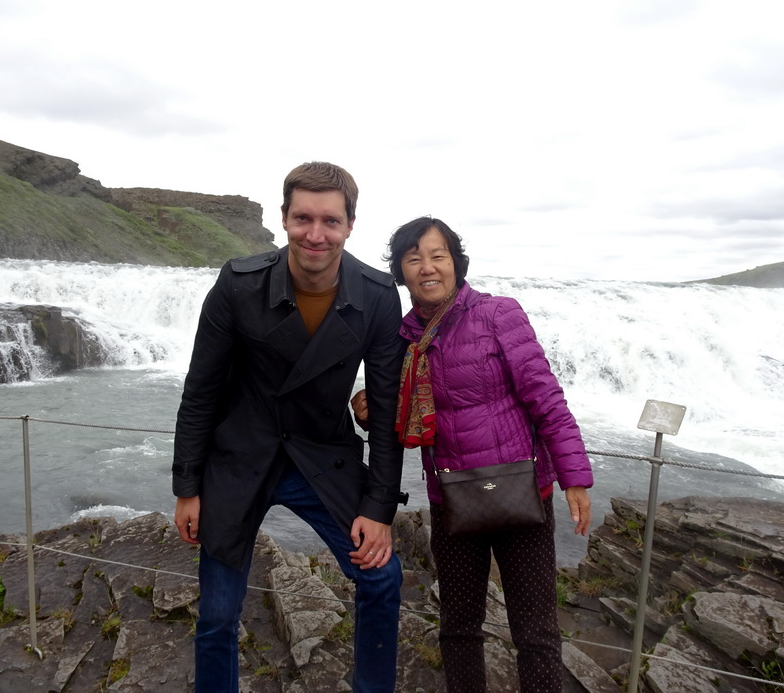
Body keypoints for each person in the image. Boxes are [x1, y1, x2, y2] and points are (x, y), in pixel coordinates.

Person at [172, 162, 408, 693]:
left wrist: (379, 508)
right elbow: (201, 390)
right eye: (303, 218)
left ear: (350, 225)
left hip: (322, 455)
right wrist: (187, 486)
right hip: (240, 457)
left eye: (330, 220)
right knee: (216, 613)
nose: (315, 234)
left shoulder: (376, 295)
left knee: (380, 575)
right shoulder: (239, 284)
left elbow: (389, 412)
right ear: (283, 218)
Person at [353, 216, 593, 693]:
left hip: (522, 496)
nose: (428, 266)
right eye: (414, 257)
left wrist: (574, 475)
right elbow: (405, 418)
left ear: (456, 263)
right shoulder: (402, 340)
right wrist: (369, 411)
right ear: (401, 270)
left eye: (438, 255)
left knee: (537, 633)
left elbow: (545, 398)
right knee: (459, 628)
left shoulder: (498, 314)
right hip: (453, 501)